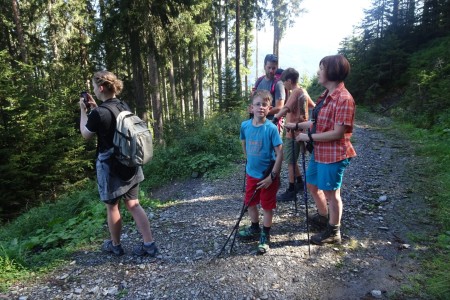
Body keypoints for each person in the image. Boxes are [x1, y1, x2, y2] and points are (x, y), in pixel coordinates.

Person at [79, 70, 158, 256]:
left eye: (94, 88)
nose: (93, 92)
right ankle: (149, 244)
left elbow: (86, 134)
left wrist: (84, 111)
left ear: (100, 88)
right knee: (134, 204)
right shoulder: (123, 105)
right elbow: (113, 120)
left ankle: (115, 245)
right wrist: (95, 107)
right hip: (130, 162)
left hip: (110, 167)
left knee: (112, 206)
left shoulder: (98, 113)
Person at [285, 55, 356, 245]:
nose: (318, 72)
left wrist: (308, 137)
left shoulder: (344, 99)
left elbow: (338, 133)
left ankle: (334, 231)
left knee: (332, 194)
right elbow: (317, 123)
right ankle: (324, 216)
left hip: (333, 154)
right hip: (320, 152)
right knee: (312, 185)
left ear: (332, 72)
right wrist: (297, 125)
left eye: (322, 68)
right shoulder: (326, 96)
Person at [238, 89, 283, 254]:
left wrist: (272, 176)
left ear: (269, 107)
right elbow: (243, 141)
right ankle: (255, 227)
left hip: (267, 175)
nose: (261, 107)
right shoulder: (245, 126)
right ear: (251, 108)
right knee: (250, 202)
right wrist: (247, 158)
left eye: (264, 105)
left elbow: (280, 154)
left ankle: (265, 234)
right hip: (252, 174)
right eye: (257, 104)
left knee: (267, 205)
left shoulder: (271, 129)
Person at [272, 68, 314, 202]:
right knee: (293, 158)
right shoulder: (303, 91)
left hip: (293, 131)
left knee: (289, 161)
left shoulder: (295, 92)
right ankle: (300, 182)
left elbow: (285, 108)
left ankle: (291, 189)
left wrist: (275, 119)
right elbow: (312, 105)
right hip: (302, 131)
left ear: (289, 81)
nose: (283, 85)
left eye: (284, 82)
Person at [253, 54, 286, 132]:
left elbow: (280, 107)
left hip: (273, 123)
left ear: (277, 68)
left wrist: (260, 112)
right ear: (264, 66)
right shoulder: (259, 81)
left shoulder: (278, 84)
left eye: (273, 68)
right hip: (258, 122)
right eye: (269, 68)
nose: (271, 71)